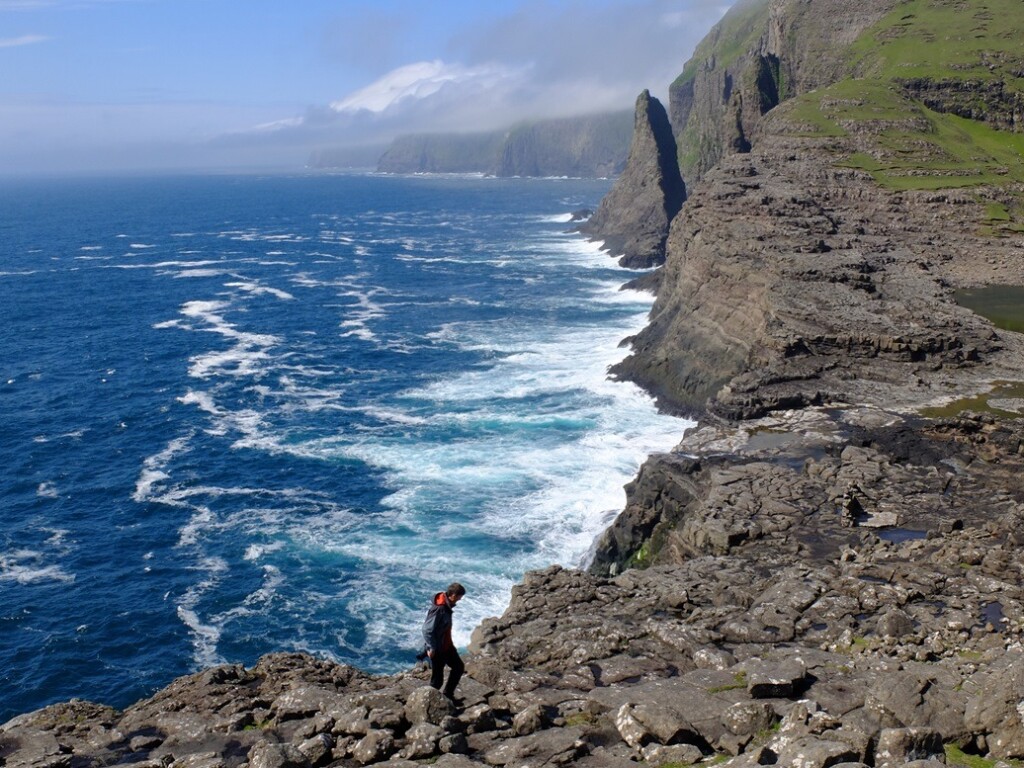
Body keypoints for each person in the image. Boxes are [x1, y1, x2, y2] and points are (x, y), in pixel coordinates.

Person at [421, 582, 466, 700]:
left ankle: (448, 695)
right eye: (459, 597)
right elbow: (426, 629)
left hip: (447, 646)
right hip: (438, 649)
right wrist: (431, 647)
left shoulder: (446, 605)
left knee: (458, 667)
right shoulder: (439, 608)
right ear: (453, 595)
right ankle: (428, 703)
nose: (460, 600)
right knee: (437, 681)